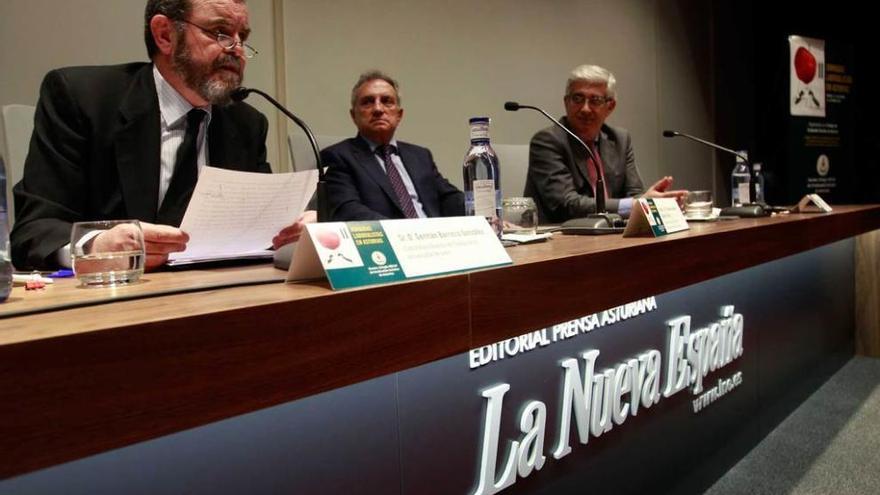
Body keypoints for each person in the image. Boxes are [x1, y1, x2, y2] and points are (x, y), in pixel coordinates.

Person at [11, 0, 313, 271]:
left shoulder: (245, 123)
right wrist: (96, 246)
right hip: (109, 303)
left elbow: (258, 231)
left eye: (242, 37)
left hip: (214, 301)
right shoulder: (83, 99)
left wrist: (294, 229)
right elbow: (34, 232)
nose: (236, 49)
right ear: (165, 35)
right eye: (220, 31)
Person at [524, 64, 685, 223]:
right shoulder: (547, 141)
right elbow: (566, 204)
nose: (585, 109)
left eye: (595, 100)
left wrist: (652, 200)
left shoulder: (619, 139)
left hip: (611, 233)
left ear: (610, 106)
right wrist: (635, 204)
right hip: (561, 238)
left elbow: (634, 193)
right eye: (578, 99)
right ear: (566, 102)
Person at [320, 71, 464, 221]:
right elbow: (347, 210)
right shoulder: (337, 157)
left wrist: (484, 206)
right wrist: (402, 232)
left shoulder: (420, 156)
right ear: (353, 115)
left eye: (386, 101)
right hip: (386, 241)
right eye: (368, 102)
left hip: (435, 238)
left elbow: (449, 198)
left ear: (399, 115)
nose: (378, 109)